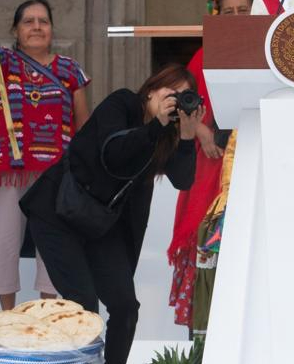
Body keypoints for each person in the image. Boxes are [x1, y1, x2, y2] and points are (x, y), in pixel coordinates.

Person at [21, 64, 198, 364]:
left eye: (184, 97)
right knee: (83, 302)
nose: (176, 102)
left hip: (99, 222)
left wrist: (188, 136)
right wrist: (155, 125)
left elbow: (183, 180)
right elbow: (114, 154)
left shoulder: (166, 135)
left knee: (126, 306)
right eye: (172, 93)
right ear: (152, 90)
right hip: (56, 212)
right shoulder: (123, 102)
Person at [0, 0, 91, 310]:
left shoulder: (69, 70)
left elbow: (84, 125)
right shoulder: (1, 62)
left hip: (55, 174)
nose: (36, 27)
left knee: (54, 243)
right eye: (28, 21)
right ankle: (8, 315)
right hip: (8, 170)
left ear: (52, 29)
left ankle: (47, 310)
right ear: (16, 30)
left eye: (43, 21)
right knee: (4, 240)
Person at [168, 0, 252, 333]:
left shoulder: (271, 55)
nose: (236, 18)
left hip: (251, 161)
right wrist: (202, 132)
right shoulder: (203, 57)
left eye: (243, 10)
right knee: (206, 244)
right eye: (227, 12)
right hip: (211, 163)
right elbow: (181, 105)